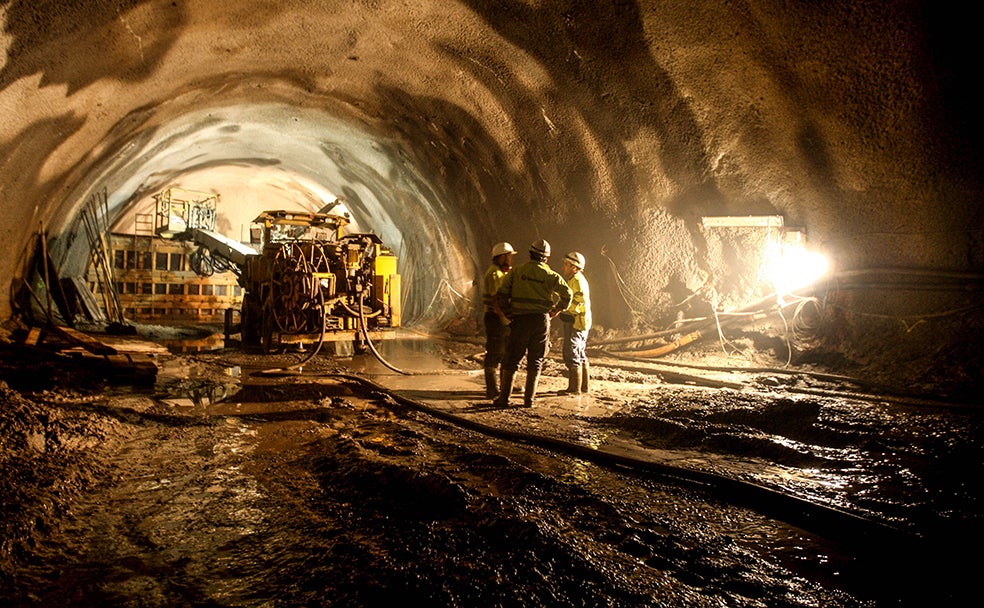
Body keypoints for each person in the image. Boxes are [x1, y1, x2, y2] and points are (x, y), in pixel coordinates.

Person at [493, 239, 573, 407]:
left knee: (512, 358)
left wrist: (509, 314)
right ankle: (529, 400)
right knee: (536, 360)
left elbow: (501, 294)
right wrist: (554, 311)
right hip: (541, 321)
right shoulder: (551, 276)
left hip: (520, 319)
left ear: (530, 254)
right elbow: (567, 295)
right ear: (546, 258)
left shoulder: (517, 272)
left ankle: (504, 399)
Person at [482, 242, 516, 399]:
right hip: (495, 318)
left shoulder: (501, 272)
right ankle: (492, 389)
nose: (511, 259)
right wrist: (504, 318)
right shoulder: (495, 274)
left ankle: (504, 386)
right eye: (509, 256)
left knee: (505, 352)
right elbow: (497, 300)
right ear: (502, 257)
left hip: (500, 317)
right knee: (495, 353)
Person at [558, 251, 592, 394]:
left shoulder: (576, 281)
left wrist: (560, 308)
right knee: (580, 352)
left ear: (574, 267)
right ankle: (584, 387)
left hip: (576, 322)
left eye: (566, 265)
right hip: (581, 322)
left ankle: (574, 388)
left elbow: (578, 304)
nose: (563, 267)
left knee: (572, 352)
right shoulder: (576, 279)